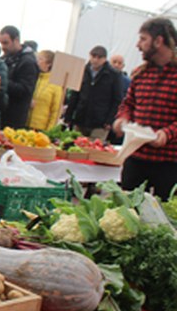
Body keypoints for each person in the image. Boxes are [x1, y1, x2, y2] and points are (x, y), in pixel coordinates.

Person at [113, 18, 177, 200]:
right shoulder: (141, 74)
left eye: (143, 39)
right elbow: (128, 104)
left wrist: (166, 134)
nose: (138, 45)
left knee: (164, 218)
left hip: (169, 164)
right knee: (126, 211)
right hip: (136, 159)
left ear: (158, 41)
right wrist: (122, 118)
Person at [65, 45, 123, 140]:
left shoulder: (114, 75)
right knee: (75, 148)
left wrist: (109, 120)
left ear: (104, 59)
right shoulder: (82, 70)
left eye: (99, 57)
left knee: (93, 150)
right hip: (81, 119)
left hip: (100, 123)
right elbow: (75, 94)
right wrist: (69, 115)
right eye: (93, 56)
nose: (95, 60)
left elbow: (117, 100)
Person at [0, 25, 38, 128]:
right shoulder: (5, 58)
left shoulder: (28, 62)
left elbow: (25, 90)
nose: (3, 46)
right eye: (1, 43)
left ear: (16, 40)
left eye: (6, 43)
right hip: (1, 112)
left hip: (14, 117)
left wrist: (2, 84)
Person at [27, 50, 63, 131]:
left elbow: (56, 110)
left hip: (41, 128)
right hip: (24, 123)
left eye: (40, 59)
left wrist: (49, 131)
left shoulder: (56, 84)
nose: (37, 62)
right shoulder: (32, 77)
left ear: (49, 63)